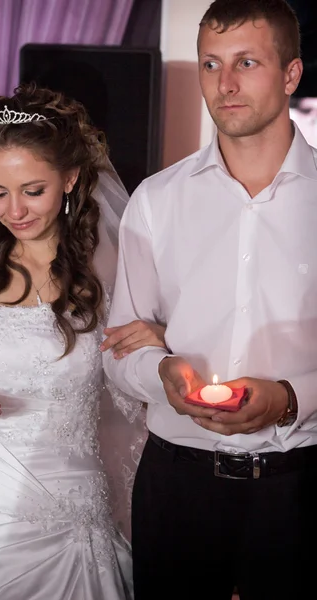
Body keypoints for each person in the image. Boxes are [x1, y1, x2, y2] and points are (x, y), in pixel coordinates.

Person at [0, 83, 166, 600]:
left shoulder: (113, 272)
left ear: (70, 179)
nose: (15, 210)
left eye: (33, 190)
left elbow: (140, 378)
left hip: (79, 501)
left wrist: (159, 338)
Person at [102, 1, 317, 598]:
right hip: (176, 485)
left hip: (300, 487)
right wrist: (161, 371)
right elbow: (119, 351)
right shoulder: (156, 200)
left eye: (246, 62)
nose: (225, 84)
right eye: (210, 64)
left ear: (291, 74)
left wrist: (290, 397)